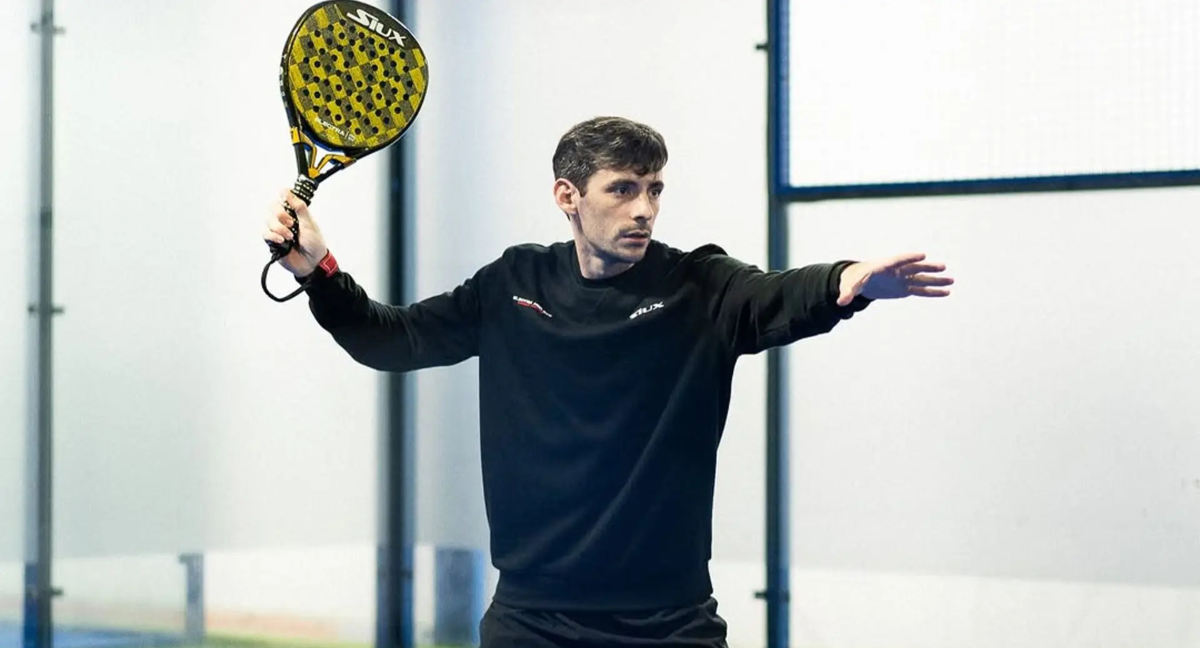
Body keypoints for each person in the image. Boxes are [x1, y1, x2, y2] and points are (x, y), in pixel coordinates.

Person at [262, 116, 953, 647]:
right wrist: (317, 270)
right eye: (623, 189)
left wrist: (846, 282)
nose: (644, 209)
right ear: (568, 196)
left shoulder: (700, 286)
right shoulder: (512, 284)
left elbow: (776, 295)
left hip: (670, 621)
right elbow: (394, 341)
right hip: (531, 620)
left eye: (653, 189)